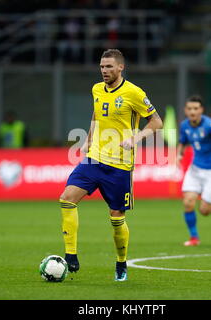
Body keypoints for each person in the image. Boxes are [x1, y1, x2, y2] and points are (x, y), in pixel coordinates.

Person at [58, 49, 163, 281]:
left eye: (109, 67)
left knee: (116, 219)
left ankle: (121, 262)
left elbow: (157, 121)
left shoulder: (134, 93)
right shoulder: (97, 89)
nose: (104, 71)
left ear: (120, 68)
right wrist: (88, 139)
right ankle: (71, 255)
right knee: (67, 198)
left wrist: (135, 138)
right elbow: (96, 114)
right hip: (94, 159)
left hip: (120, 166)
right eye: (102, 67)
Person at [176, 95, 211, 247]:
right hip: (195, 169)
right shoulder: (184, 126)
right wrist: (179, 154)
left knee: (205, 211)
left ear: (201, 110)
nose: (192, 112)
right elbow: (182, 142)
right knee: (188, 202)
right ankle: (194, 238)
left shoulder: (210, 126)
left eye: (195, 108)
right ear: (185, 110)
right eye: (189, 109)